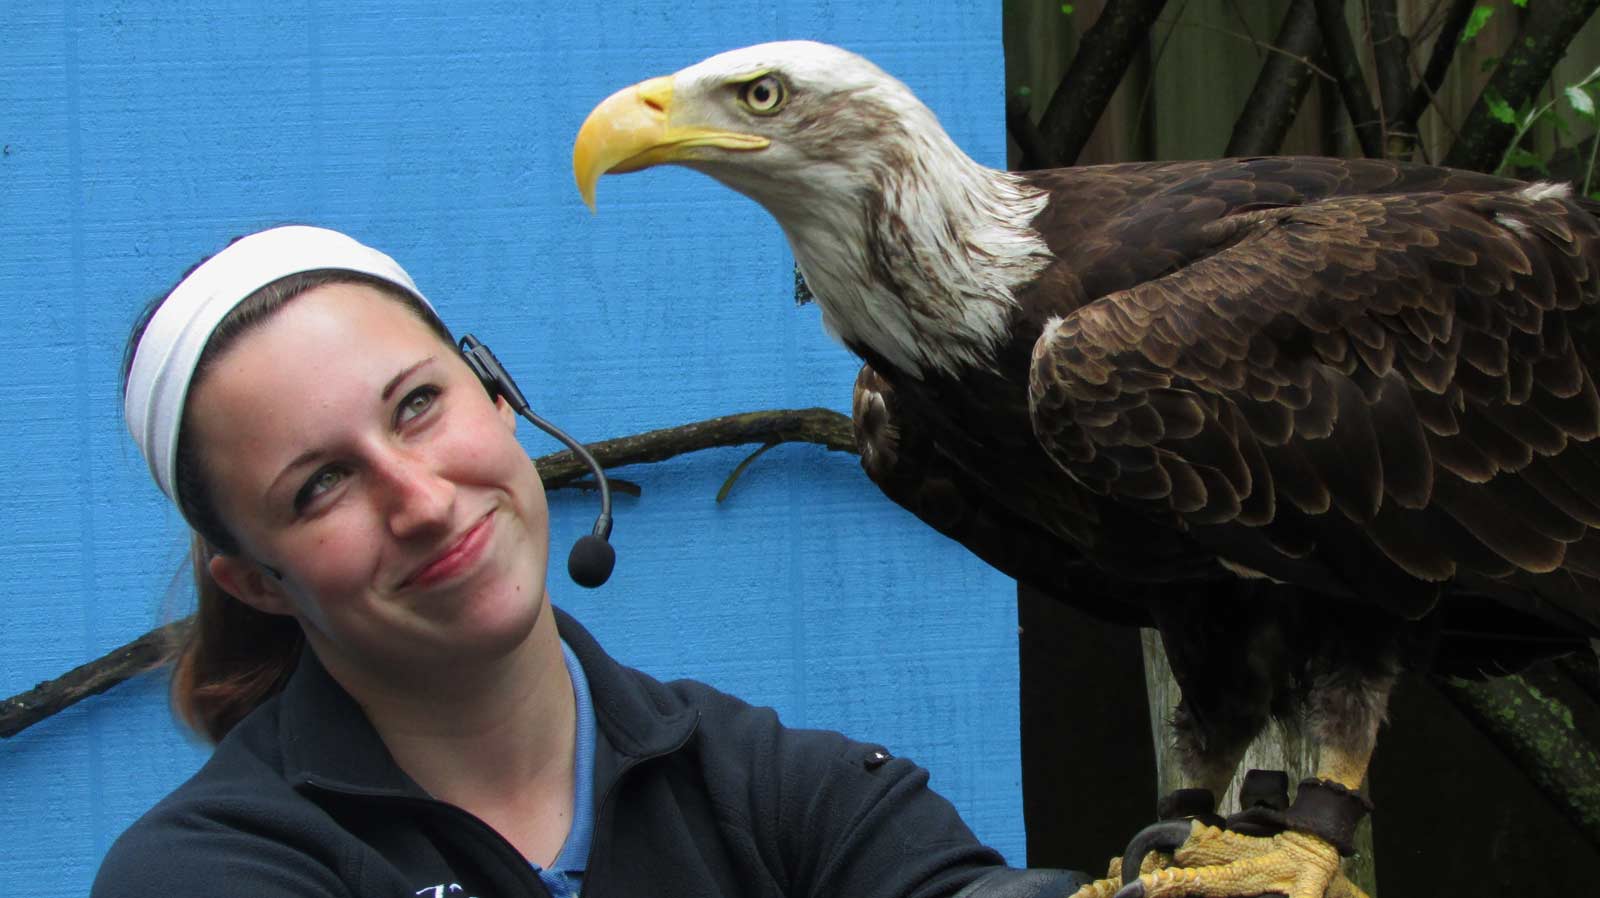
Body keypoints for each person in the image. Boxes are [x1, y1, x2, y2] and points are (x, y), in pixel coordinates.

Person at [92, 225, 1087, 898]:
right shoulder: (208, 869)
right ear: (257, 579)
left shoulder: (777, 791)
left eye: (417, 405)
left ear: (497, 395)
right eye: (319, 486)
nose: (424, 502)